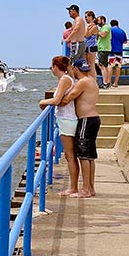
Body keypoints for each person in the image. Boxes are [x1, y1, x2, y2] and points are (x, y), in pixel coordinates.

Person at [58, 58, 101, 197]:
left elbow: (68, 98)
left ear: (76, 69)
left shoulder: (82, 82)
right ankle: (91, 188)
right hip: (93, 119)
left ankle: (86, 190)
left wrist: (54, 101)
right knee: (89, 156)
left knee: (83, 155)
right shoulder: (91, 80)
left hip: (86, 120)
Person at [39, 56, 79, 196]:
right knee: (70, 155)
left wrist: (43, 101)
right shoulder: (67, 79)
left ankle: (73, 188)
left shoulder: (64, 80)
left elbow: (56, 100)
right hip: (66, 119)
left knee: (70, 156)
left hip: (67, 120)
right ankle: (74, 187)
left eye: (52, 66)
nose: (51, 69)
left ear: (56, 67)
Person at [109, 19, 127, 88]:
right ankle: (116, 83)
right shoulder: (122, 31)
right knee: (118, 67)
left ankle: (109, 82)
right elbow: (125, 41)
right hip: (119, 51)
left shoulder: (110, 30)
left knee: (110, 66)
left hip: (111, 50)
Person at [96, 15, 112, 89]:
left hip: (104, 48)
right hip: (102, 48)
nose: (97, 22)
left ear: (102, 20)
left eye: (98, 20)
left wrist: (97, 31)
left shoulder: (106, 27)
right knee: (103, 65)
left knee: (102, 66)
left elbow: (103, 35)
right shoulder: (102, 28)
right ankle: (107, 82)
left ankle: (105, 83)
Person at [84, 11, 99, 80]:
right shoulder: (88, 26)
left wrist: (87, 28)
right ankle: (89, 80)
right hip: (87, 47)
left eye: (86, 17)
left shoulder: (94, 26)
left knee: (91, 65)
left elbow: (86, 35)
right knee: (87, 65)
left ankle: (94, 81)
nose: (85, 18)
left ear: (91, 17)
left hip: (92, 47)